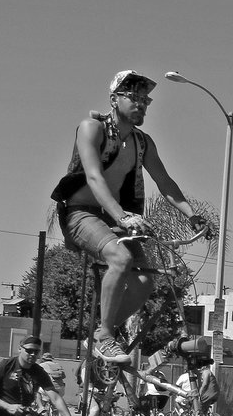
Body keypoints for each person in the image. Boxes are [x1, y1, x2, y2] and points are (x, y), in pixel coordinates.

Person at [50, 70, 211, 366]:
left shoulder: (142, 142)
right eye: (134, 97)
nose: (141, 104)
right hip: (80, 214)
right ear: (114, 100)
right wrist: (122, 217)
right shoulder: (92, 129)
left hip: (114, 218)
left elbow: (165, 182)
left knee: (143, 281)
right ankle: (106, 337)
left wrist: (193, 215)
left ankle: (101, 331)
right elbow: (94, 177)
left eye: (145, 100)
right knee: (121, 259)